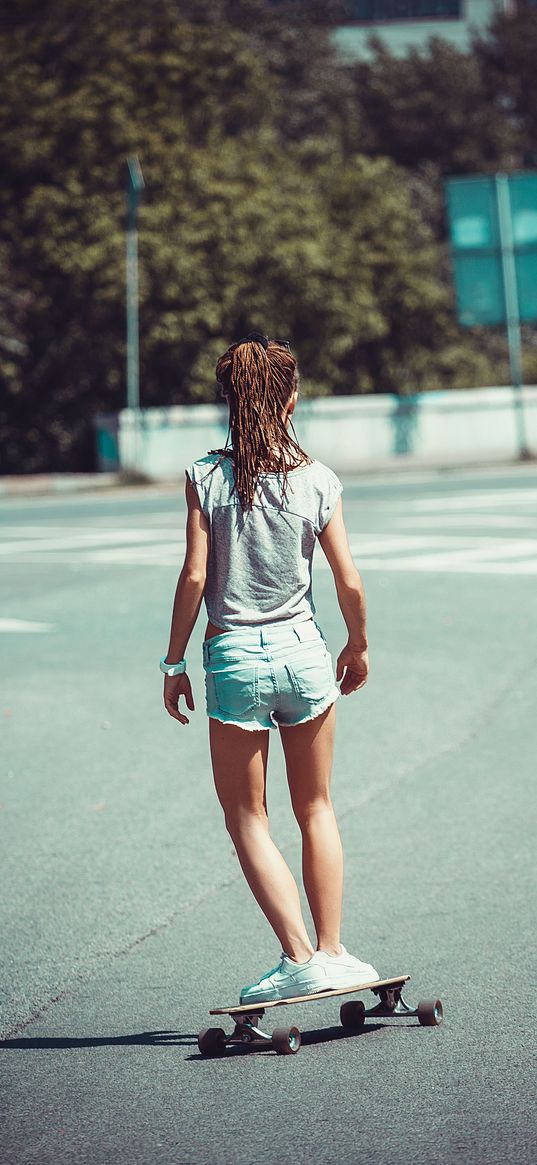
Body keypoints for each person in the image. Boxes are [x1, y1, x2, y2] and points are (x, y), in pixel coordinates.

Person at [161, 331, 379, 1004]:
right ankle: (334, 951)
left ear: (228, 399)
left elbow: (196, 575)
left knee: (246, 816)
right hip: (304, 652)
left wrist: (173, 661)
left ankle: (296, 955)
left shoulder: (205, 476)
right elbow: (347, 579)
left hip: (234, 660)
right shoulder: (317, 478)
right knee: (314, 805)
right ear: (289, 401)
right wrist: (357, 643)